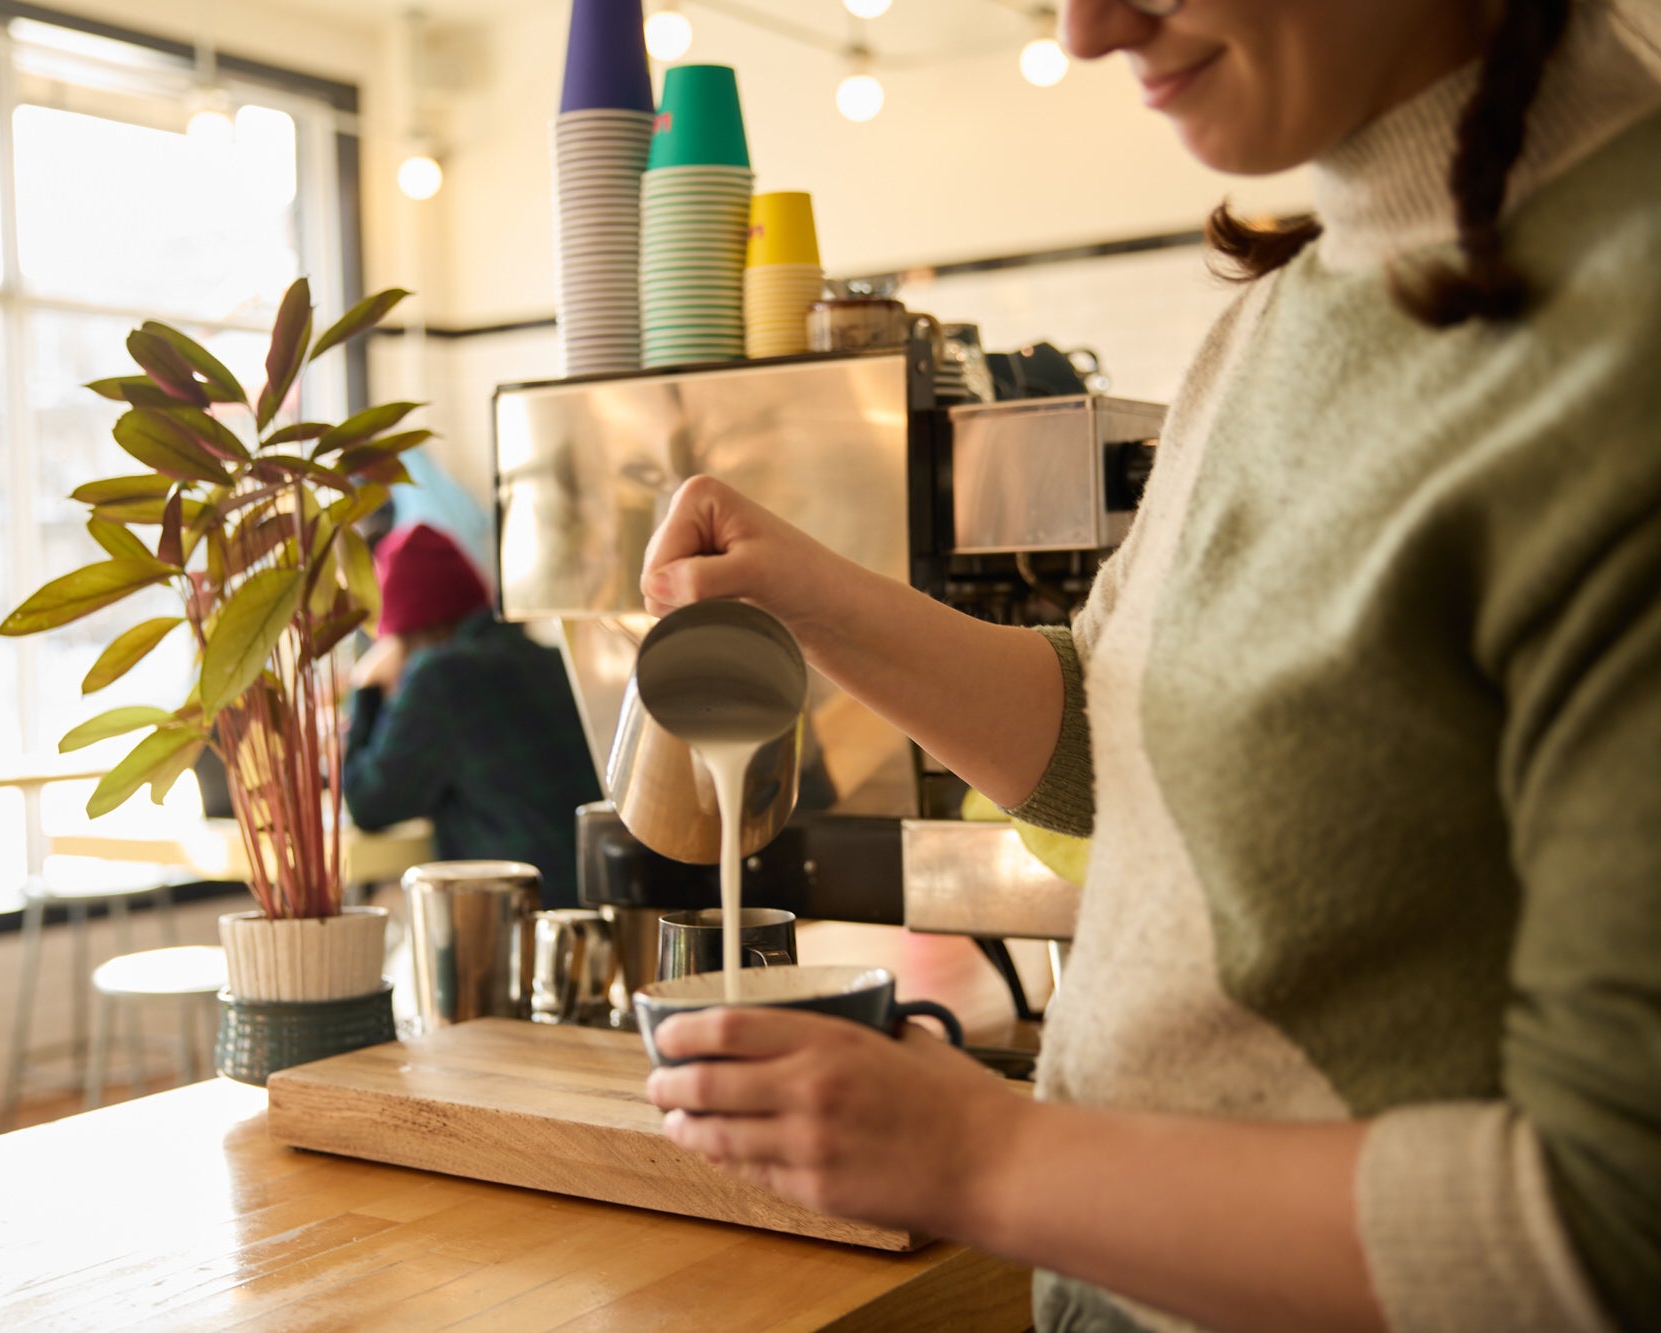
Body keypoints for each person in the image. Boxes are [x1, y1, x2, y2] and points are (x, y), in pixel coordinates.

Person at [637, 2, 1661, 1331]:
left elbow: (1613, 1226)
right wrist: (804, 592)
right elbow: (1115, 746)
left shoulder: (1623, 345)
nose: (1085, 27)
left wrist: (985, 1158)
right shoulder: (1299, 300)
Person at [340, 522, 601, 908]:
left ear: (403, 631)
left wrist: (366, 690)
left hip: (520, 916)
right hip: (598, 900)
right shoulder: (547, 659)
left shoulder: (439, 678)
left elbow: (369, 802)